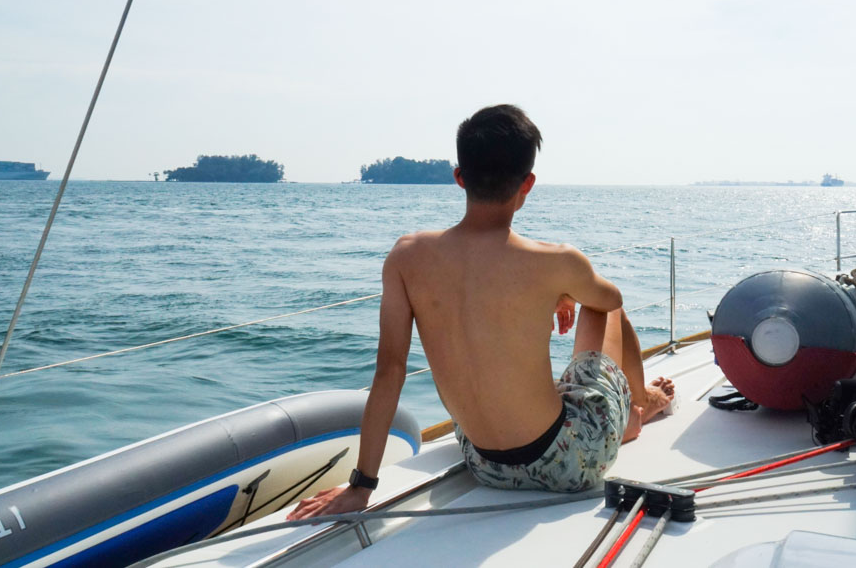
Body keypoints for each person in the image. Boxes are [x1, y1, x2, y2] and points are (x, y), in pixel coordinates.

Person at [289, 105, 674, 520]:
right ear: (528, 183)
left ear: (459, 177)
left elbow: (389, 374)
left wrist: (360, 487)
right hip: (571, 465)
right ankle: (640, 401)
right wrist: (566, 290)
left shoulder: (406, 257)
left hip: (485, 465)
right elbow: (610, 299)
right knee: (605, 310)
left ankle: (628, 411)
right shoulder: (557, 261)